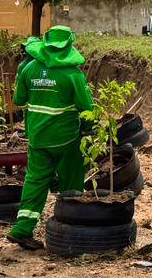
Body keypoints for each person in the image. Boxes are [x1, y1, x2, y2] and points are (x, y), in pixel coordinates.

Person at [7, 25, 95, 250]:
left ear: (46, 42)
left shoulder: (29, 69)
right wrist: (89, 129)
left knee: (35, 181)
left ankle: (22, 228)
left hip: (37, 138)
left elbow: (19, 100)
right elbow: (87, 108)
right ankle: (69, 227)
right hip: (67, 139)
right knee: (71, 181)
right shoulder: (73, 74)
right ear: (69, 44)